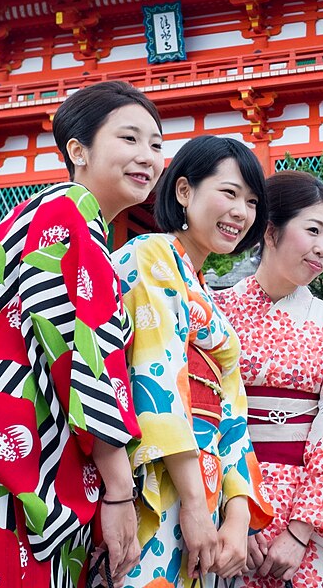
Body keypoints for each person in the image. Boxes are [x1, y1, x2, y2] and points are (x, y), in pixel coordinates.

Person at [0, 81, 164, 588]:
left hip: (5, 454)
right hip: (14, 471)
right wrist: (119, 491)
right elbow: (81, 354)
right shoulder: (65, 210)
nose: (148, 157)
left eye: (157, 145)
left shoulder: (50, 212)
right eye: (130, 139)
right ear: (78, 150)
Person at [114, 135, 273, 587]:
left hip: (204, 482)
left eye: (251, 201)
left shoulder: (205, 291)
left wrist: (237, 515)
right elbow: (153, 378)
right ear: (184, 191)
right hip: (159, 478)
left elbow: (234, 412)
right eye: (228, 192)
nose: (241, 212)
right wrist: (195, 507)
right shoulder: (151, 255)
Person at [213, 170, 323, 588]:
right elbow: (196, 412)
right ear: (270, 229)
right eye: (313, 231)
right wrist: (233, 512)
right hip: (222, 499)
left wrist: (298, 531)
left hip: (303, 512)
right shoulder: (213, 309)